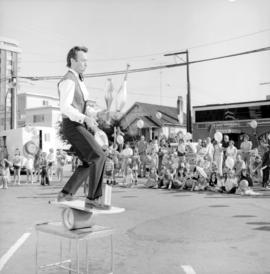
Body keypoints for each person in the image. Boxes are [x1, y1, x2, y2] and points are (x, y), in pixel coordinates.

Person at [57, 46, 108, 209]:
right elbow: (65, 107)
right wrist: (85, 118)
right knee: (99, 156)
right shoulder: (68, 80)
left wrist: (98, 114)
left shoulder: (79, 80)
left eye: (87, 61)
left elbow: (83, 107)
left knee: (88, 162)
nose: (86, 64)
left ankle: (66, 194)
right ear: (73, 60)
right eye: (83, 60)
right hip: (72, 125)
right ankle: (93, 198)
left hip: (77, 124)